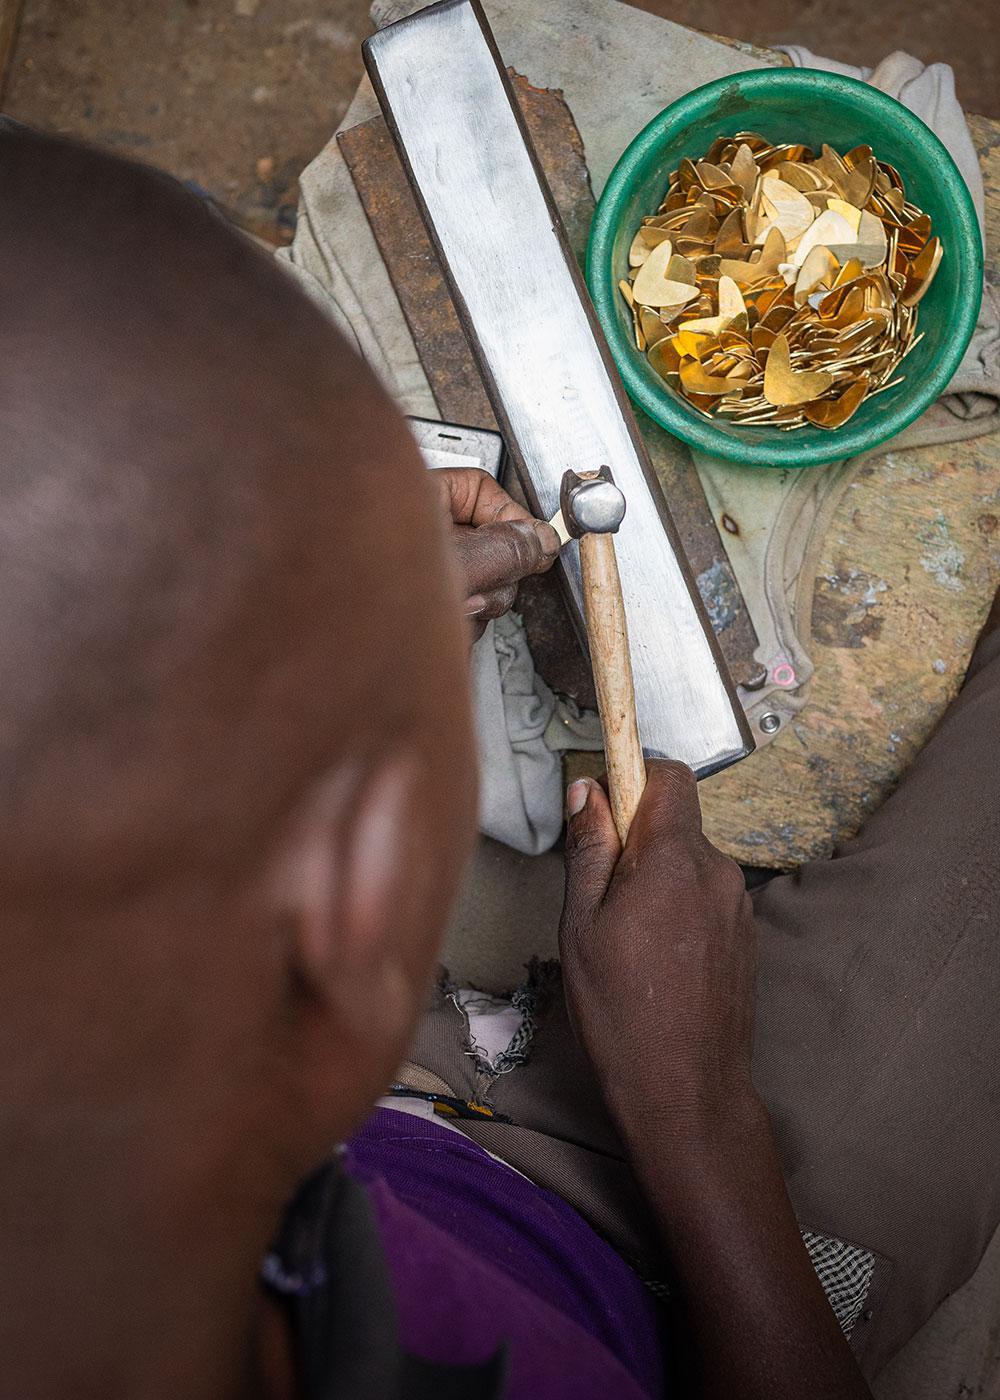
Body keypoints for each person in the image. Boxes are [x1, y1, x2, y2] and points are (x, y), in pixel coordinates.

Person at [0, 123, 996, 1400]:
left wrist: (309, 617)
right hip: (673, 1257)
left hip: (375, 1111)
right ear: (346, 916)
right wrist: (695, 1114)